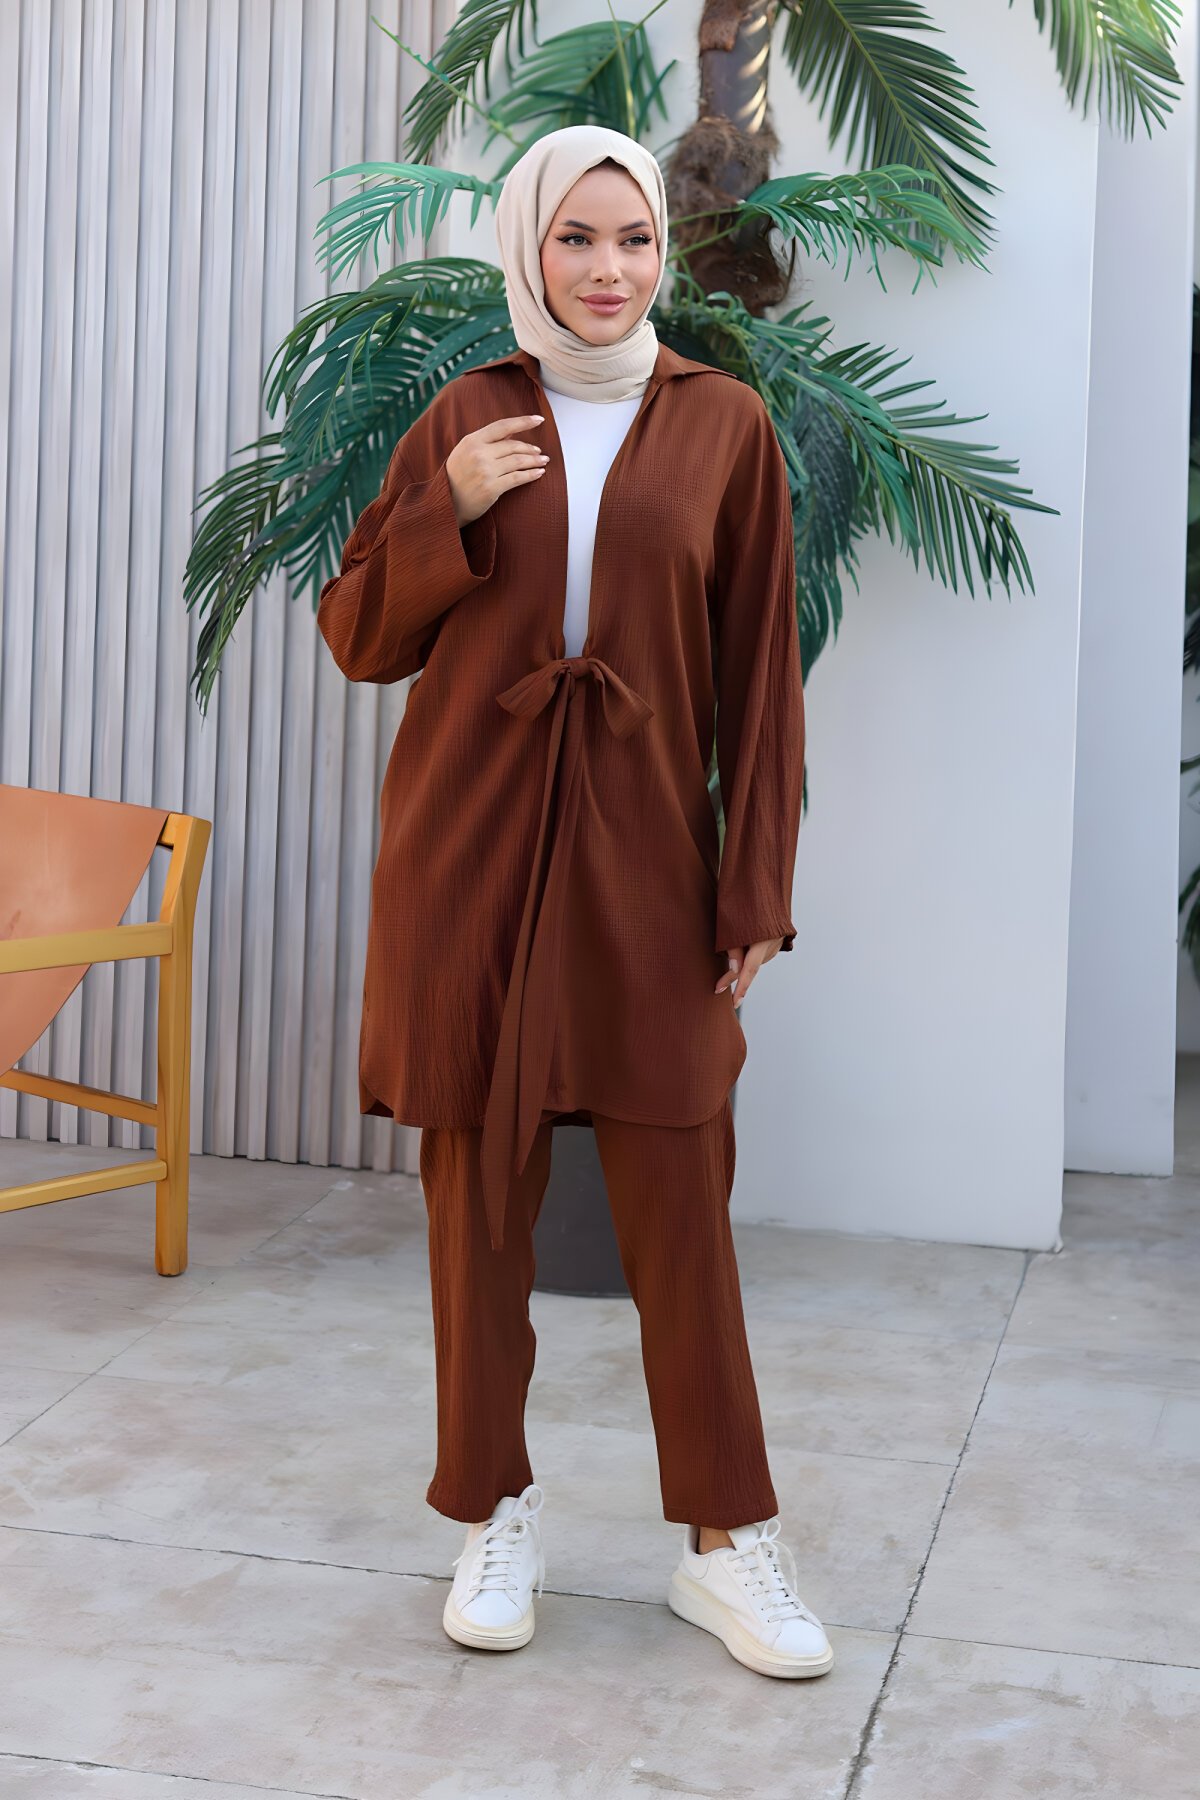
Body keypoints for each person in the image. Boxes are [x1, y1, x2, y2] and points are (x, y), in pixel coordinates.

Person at [317, 125, 831, 1680]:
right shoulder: (466, 416)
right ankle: (493, 1512)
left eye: (634, 239)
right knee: (476, 1205)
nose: (609, 269)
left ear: (665, 253)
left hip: (647, 863)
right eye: (576, 239)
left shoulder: (725, 422)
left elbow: (761, 676)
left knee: (681, 1194)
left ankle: (728, 1545)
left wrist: (755, 886)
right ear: (528, 249)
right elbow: (361, 637)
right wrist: (449, 508)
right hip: (469, 858)